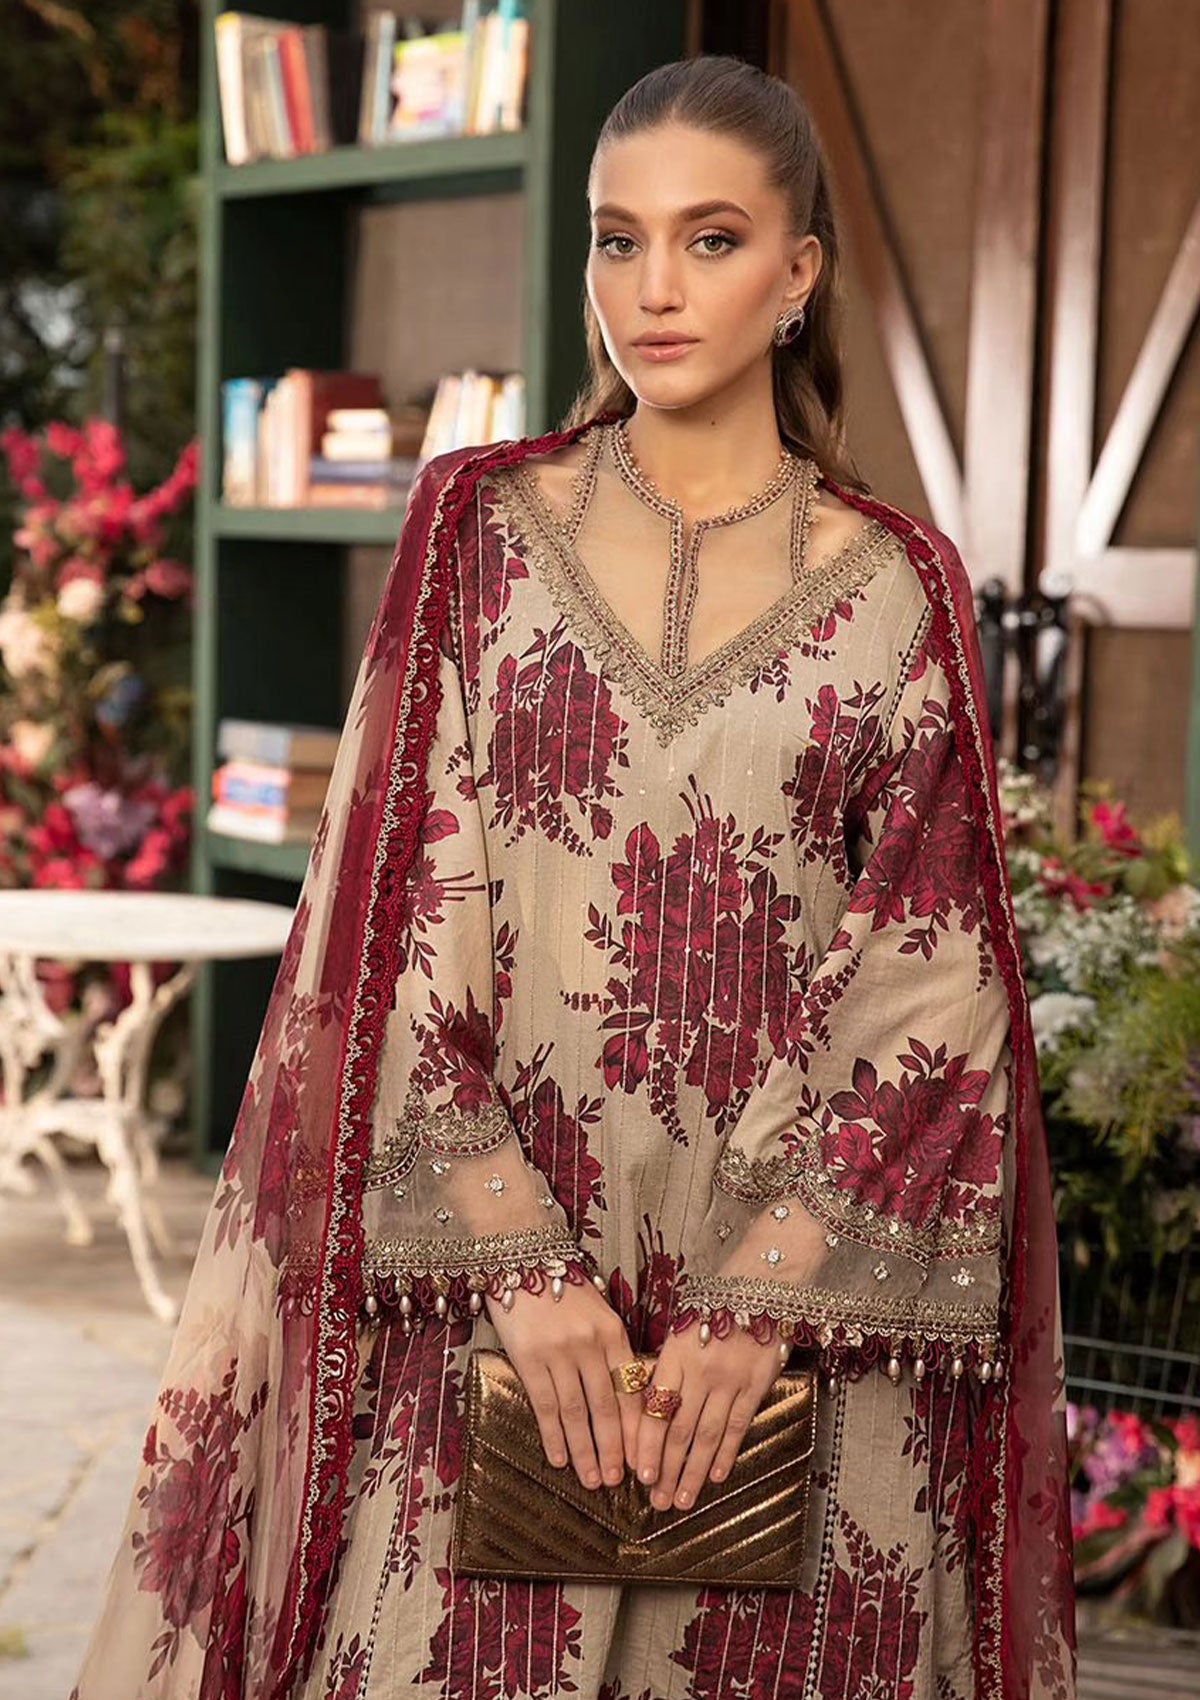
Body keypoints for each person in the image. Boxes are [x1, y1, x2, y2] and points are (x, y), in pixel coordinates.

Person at [71, 53, 1075, 1700]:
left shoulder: (899, 589)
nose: (653, 289)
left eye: (710, 239)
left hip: (788, 1360)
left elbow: (933, 975)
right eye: (619, 240)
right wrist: (531, 1281)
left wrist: (753, 1310)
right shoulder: (479, 532)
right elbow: (389, 927)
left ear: (798, 275)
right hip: (486, 1306)